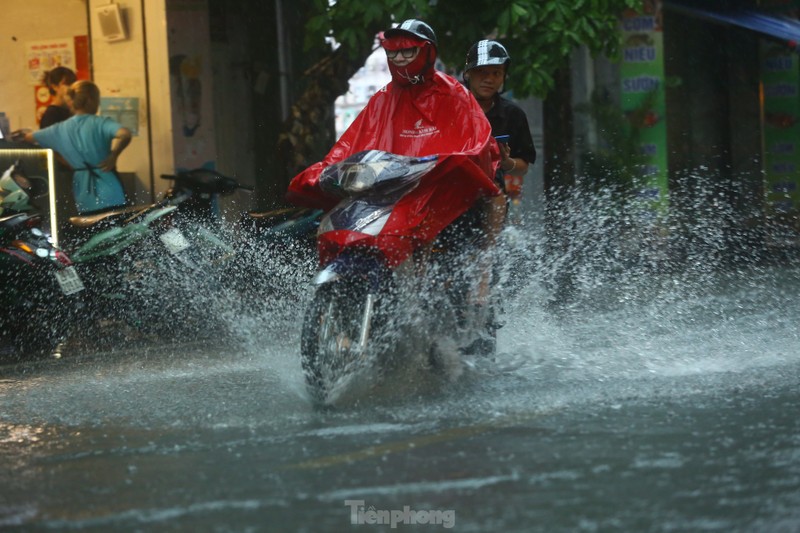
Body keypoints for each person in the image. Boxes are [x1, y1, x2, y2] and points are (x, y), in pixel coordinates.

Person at [17, 80, 129, 214]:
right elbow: (125, 134)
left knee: (91, 231)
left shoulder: (59, 129)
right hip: (110, 189)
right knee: (118, 231)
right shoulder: (101, 123)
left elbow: (29, 137)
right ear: (91, 100)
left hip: (83, 192)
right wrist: (114, 155)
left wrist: (61, 158)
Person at [463, 40, 536, 203]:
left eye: (496, 73)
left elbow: (523, 166)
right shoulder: (449, 106)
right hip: (446, 187)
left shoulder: (513, 114)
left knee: (496, 194)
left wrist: (506, 162)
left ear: (503, 77)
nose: (489, 79)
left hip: (490, 190)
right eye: (482, 71)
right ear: (468, 73)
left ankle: (495, 230)